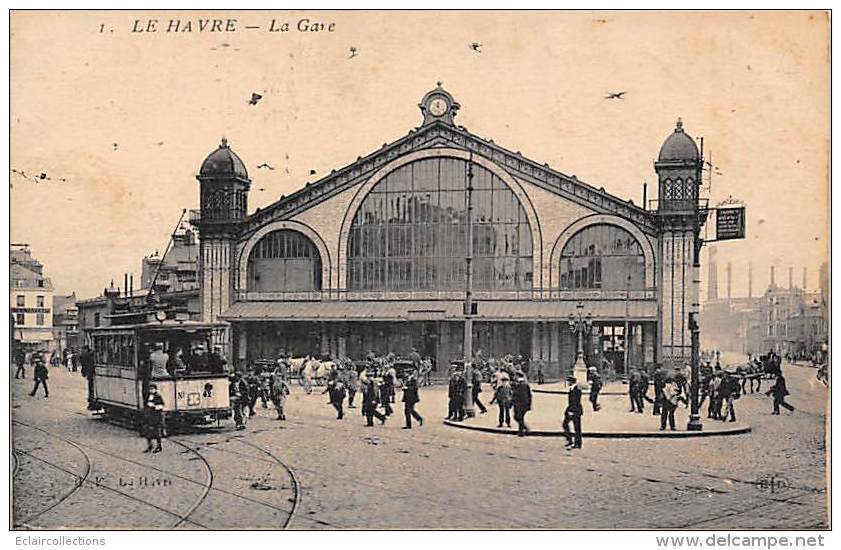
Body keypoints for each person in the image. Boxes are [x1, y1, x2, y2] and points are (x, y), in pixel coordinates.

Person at [142, 383, 165, 453]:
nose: (151, 390)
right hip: (150, 416)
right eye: (150, 389)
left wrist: (154, 406)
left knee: (157, 432)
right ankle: (150, 445)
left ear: (155, 389)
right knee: (147, 432)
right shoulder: (149, 396)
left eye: (152, 389)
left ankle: (159, 447)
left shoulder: (158, 396)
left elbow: (161, 405)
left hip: (156, 417)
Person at [563, 375, 583, 449]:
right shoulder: (572, 388)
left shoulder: (576, 389)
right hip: (571, 410)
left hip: (575, 411)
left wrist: (572, 411)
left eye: (568, 381)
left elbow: (575, 402)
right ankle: (570, 440)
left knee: (577, 428)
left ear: (571, 382)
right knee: (565, 424)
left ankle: (577, 443)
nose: (567, 383)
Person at [80, 345, 97, 409]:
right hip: (91, 372)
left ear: (85, 349)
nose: (82, 351)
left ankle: (91, 402)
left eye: (83, 349)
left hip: (90, 373)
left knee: (91, 387)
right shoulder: (89, 354)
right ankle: (91, 401)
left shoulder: (85, 355)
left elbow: (84, 365)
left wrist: (84, 372)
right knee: (91, 387)